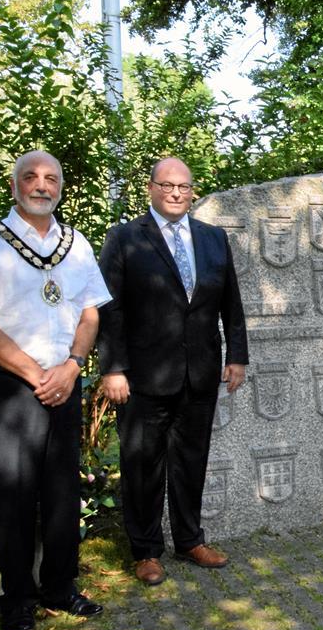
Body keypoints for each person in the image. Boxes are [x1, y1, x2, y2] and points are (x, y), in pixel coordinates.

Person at [0, 150, 111, 630]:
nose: (42, 185)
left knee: (61, 491)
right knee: (13, 494)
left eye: (51, 178)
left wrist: (73, 365)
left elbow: (90, 312)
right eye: (31, 177)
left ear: (60, 187)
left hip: (64, 378)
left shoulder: (76, 244)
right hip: (7, 387)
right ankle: (16, 597)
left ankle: (60, 587)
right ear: (15, 185)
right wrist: (39, 375)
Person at [97, 157, 248, 586]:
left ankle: (189, 540)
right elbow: (110, 309)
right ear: (151, 188)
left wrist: (237, 356)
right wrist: (113, 369)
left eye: (183, 186)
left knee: (190, 462)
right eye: (167, 185)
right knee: (142, 464)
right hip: (141, 378)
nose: (176, 193)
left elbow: (230, 304)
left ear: (193, 191)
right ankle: (145, 551)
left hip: (199, 373)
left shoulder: (213, 239)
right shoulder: (124, 239)